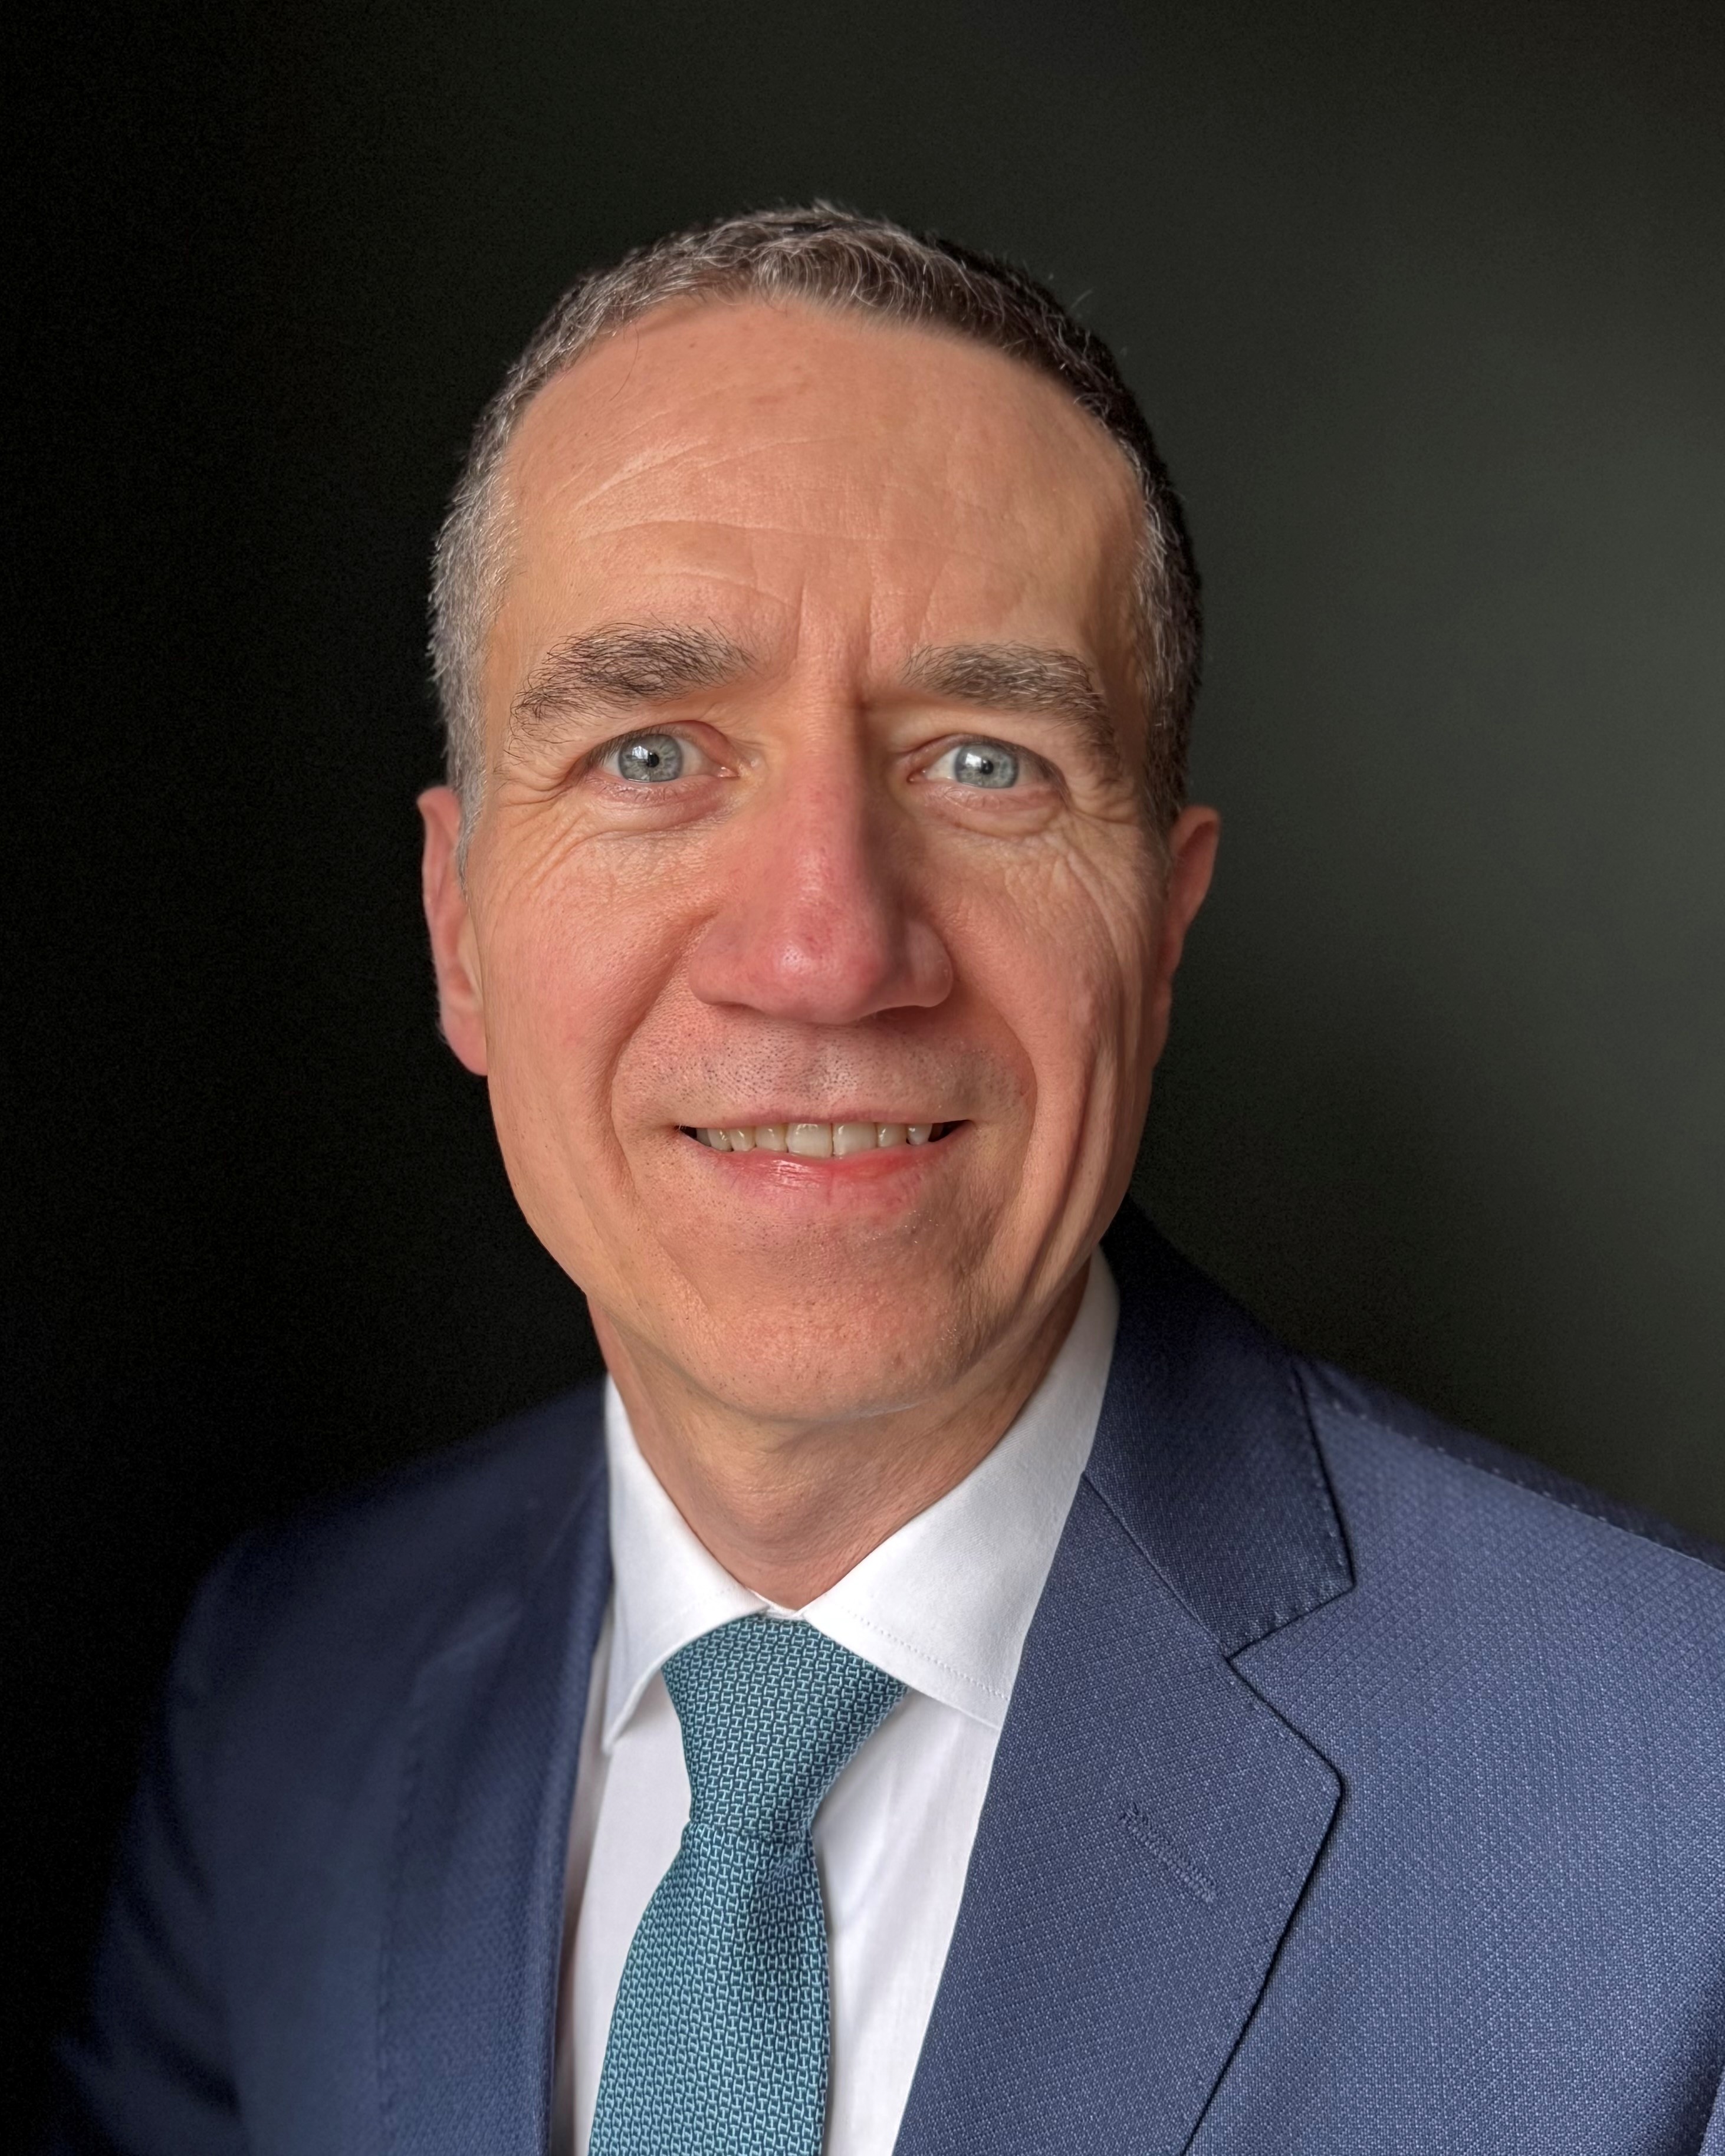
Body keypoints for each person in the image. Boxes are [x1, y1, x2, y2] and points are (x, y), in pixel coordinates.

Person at [47, 206, 1725, 2156]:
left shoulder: (1679, 1814)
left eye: (985, 762)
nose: (827, 953)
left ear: (1161, 939)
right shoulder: (284, 1697)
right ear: (457, 930)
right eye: (653, 755)